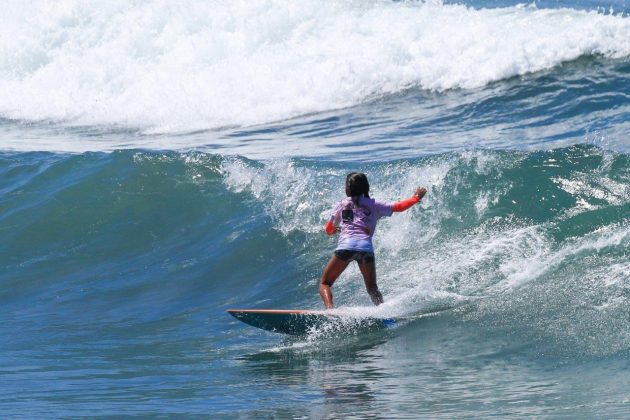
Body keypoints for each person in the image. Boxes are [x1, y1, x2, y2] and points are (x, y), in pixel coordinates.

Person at [319, 172, 427, 309]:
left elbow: (328, 229)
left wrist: (333, 230)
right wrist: (416, 197)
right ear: (366, 187)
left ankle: (330, 311)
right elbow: (399, 207)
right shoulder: (374, 204)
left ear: (348, 189)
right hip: (365, 248)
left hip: (346, 247)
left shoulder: (342, 204)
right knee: (372, 289)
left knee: (325, 283)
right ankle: (384, 313)